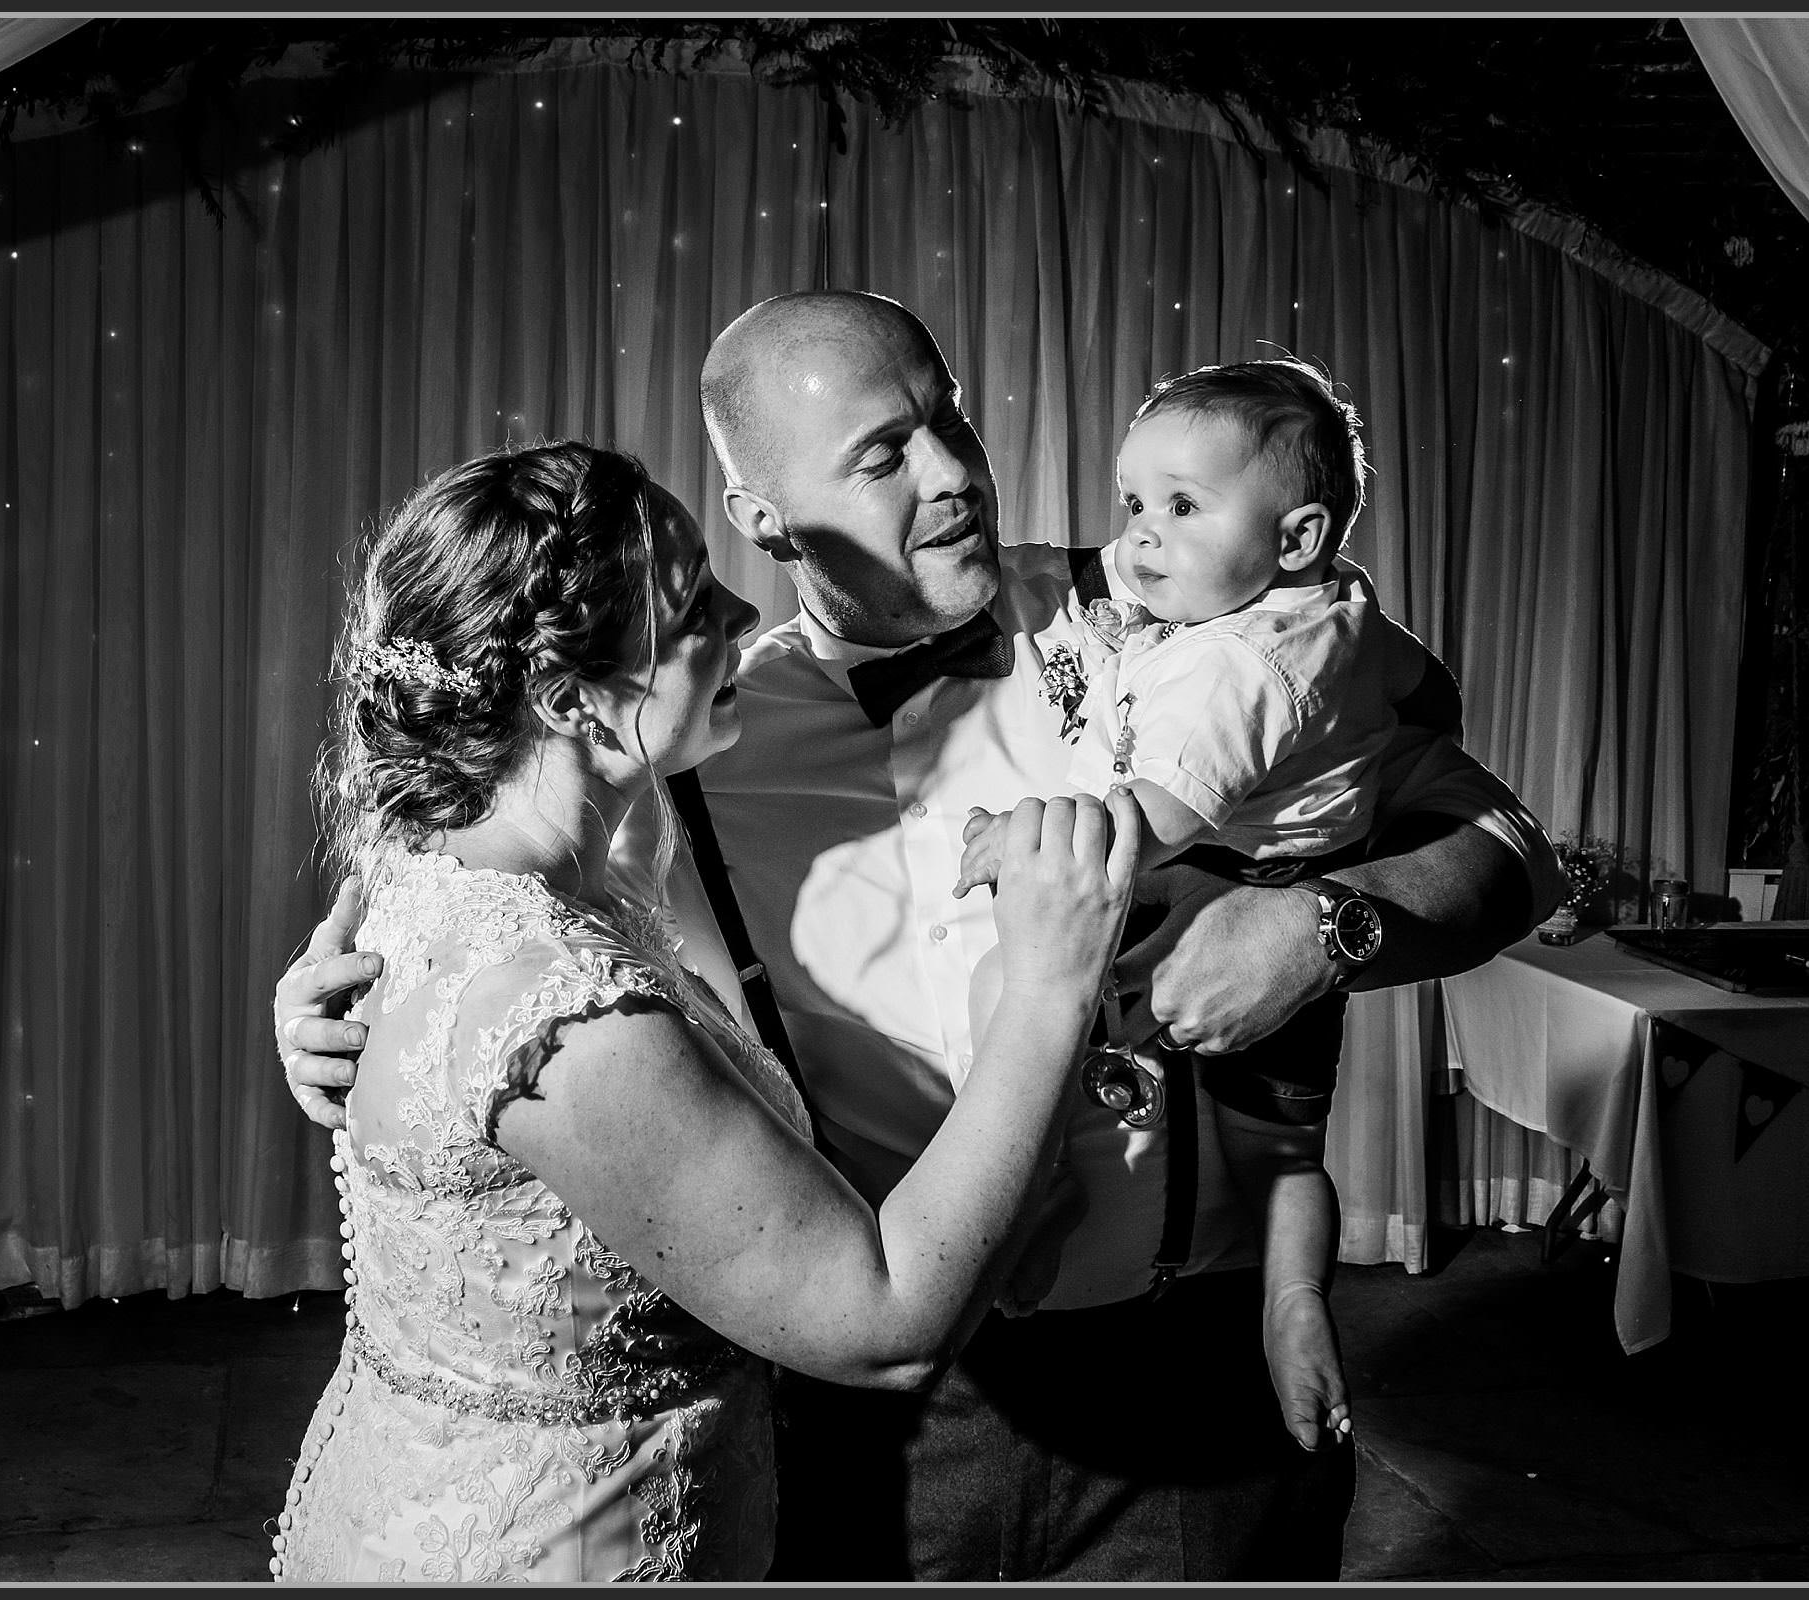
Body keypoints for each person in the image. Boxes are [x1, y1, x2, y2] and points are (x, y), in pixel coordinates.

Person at [279, 292, 1566, 1581]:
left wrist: (1324, 924)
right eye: (884, 455)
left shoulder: (1183, 615)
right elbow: (507, 935)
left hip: (1195, 1371)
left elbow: (1509, 850)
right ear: (762, 516)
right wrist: (347, 1021)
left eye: (950, 420)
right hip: (872, 1417)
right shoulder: (691, 745)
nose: (954, 473)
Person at [267, 438, 1139, 1583]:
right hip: (555, 1551)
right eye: (690, 605)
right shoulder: (565, 1023)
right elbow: (883, 1327)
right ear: (572, 696)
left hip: (416, 1498)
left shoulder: (430, 865)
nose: (741, 609)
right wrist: (1049, 983)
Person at [955, 355, 1406, 1465]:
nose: (1141, 538)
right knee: (1286, 1150)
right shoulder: (1328, 604)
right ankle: (1295, 1298)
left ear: (1294, 538)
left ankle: (1040, 1184)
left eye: (1184, 507)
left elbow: (1146, 820)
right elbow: (1411, 693)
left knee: (1005, 985)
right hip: (1298, 878)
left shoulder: (1234, 671)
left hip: (1222, 886)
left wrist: (1012, 831)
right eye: (1134, 503)